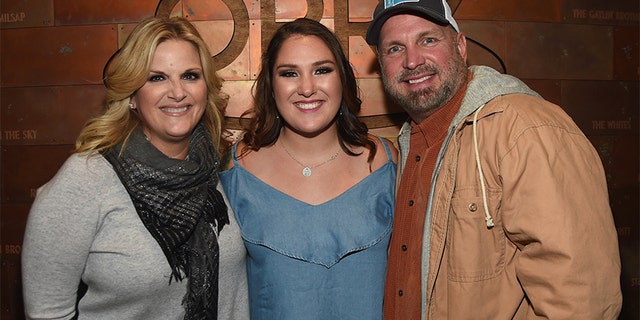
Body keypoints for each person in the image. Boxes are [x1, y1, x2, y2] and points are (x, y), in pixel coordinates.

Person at [365, 0, 623, 319]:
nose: (412, 60)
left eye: (427, 40)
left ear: (460, 46)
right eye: (394, 49)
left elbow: (580, 300)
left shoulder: (525, 129)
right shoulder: (408, 142)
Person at [21, 16, 249, 320]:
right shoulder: (86, 178)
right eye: (157, 78)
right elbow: (46, 312)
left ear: (205, 89)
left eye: (190, 76)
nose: (177, 92)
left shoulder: (214, 165)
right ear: (131, 95)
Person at [219, 18, 397, 320]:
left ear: (342, 78)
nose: (306, 88)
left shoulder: (385, 161)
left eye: (322, 70)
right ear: (271, 86)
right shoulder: (236, 168)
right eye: (289, 73)